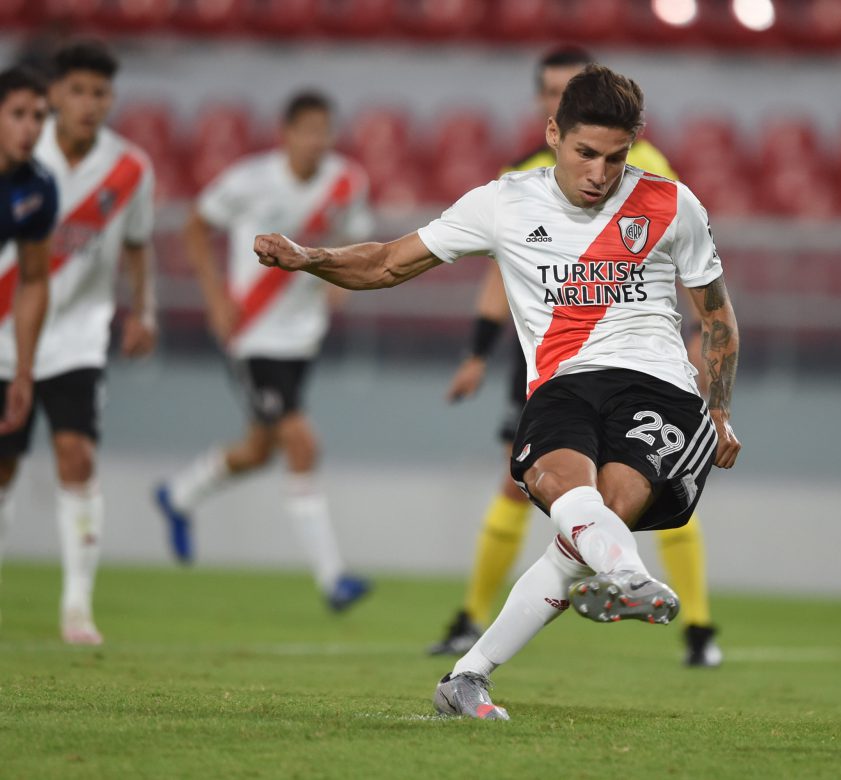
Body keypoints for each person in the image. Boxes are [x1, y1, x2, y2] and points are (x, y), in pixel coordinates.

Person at [253, 65, 741, 719]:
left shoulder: (673, 205)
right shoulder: (503, 203)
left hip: (656, 386)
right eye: (586, 153)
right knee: (566, 498)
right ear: (553, 134)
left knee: (607, 510)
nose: (600, 173)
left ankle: (592, 593)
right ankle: (519, 644)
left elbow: (717, 317)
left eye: (616, 158)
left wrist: (720, 410)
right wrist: (312, 258)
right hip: (563, 386)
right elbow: (390, 262)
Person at [430, 45, 724, 668]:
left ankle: (696, 623)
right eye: (548, 92)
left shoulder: (645, 171)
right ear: (550, 118)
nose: (600, 168)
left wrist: (698, 353)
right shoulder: (518, 181)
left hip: (639, 359)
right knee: (535, 488)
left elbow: (673, 261)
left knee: (635, 482)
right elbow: (498, 266)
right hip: (550, 352)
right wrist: (478, 350)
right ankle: (473, 624)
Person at [154, 92, 375, 612]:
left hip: (303, 337)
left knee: (259, 450)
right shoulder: (249, 180)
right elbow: (194, 225)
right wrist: (214, 298)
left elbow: (355, 241)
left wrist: (339, 288)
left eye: (325, 130)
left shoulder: (347, 182)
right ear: (287, 133)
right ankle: (333, 580)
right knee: (301, 442)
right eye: (308, 130)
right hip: (252, 334)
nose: (318, 141)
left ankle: (178, 495)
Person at [0, 64, 66, 638]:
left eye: (39, 117)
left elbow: (35, 279)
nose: (30, 128)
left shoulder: (37, 188)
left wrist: (24, 370)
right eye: (18, 114)